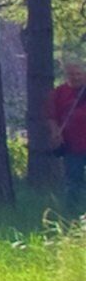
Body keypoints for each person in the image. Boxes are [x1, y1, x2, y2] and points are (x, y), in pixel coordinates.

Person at [51, 59, 86, 219]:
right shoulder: (59, 92)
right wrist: (55, 133)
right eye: (71, 74)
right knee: (73, 181)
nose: (75, 77)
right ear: (66, 75)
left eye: (78, 74)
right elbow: (52, 117)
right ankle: (72, 214)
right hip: (73, 146)